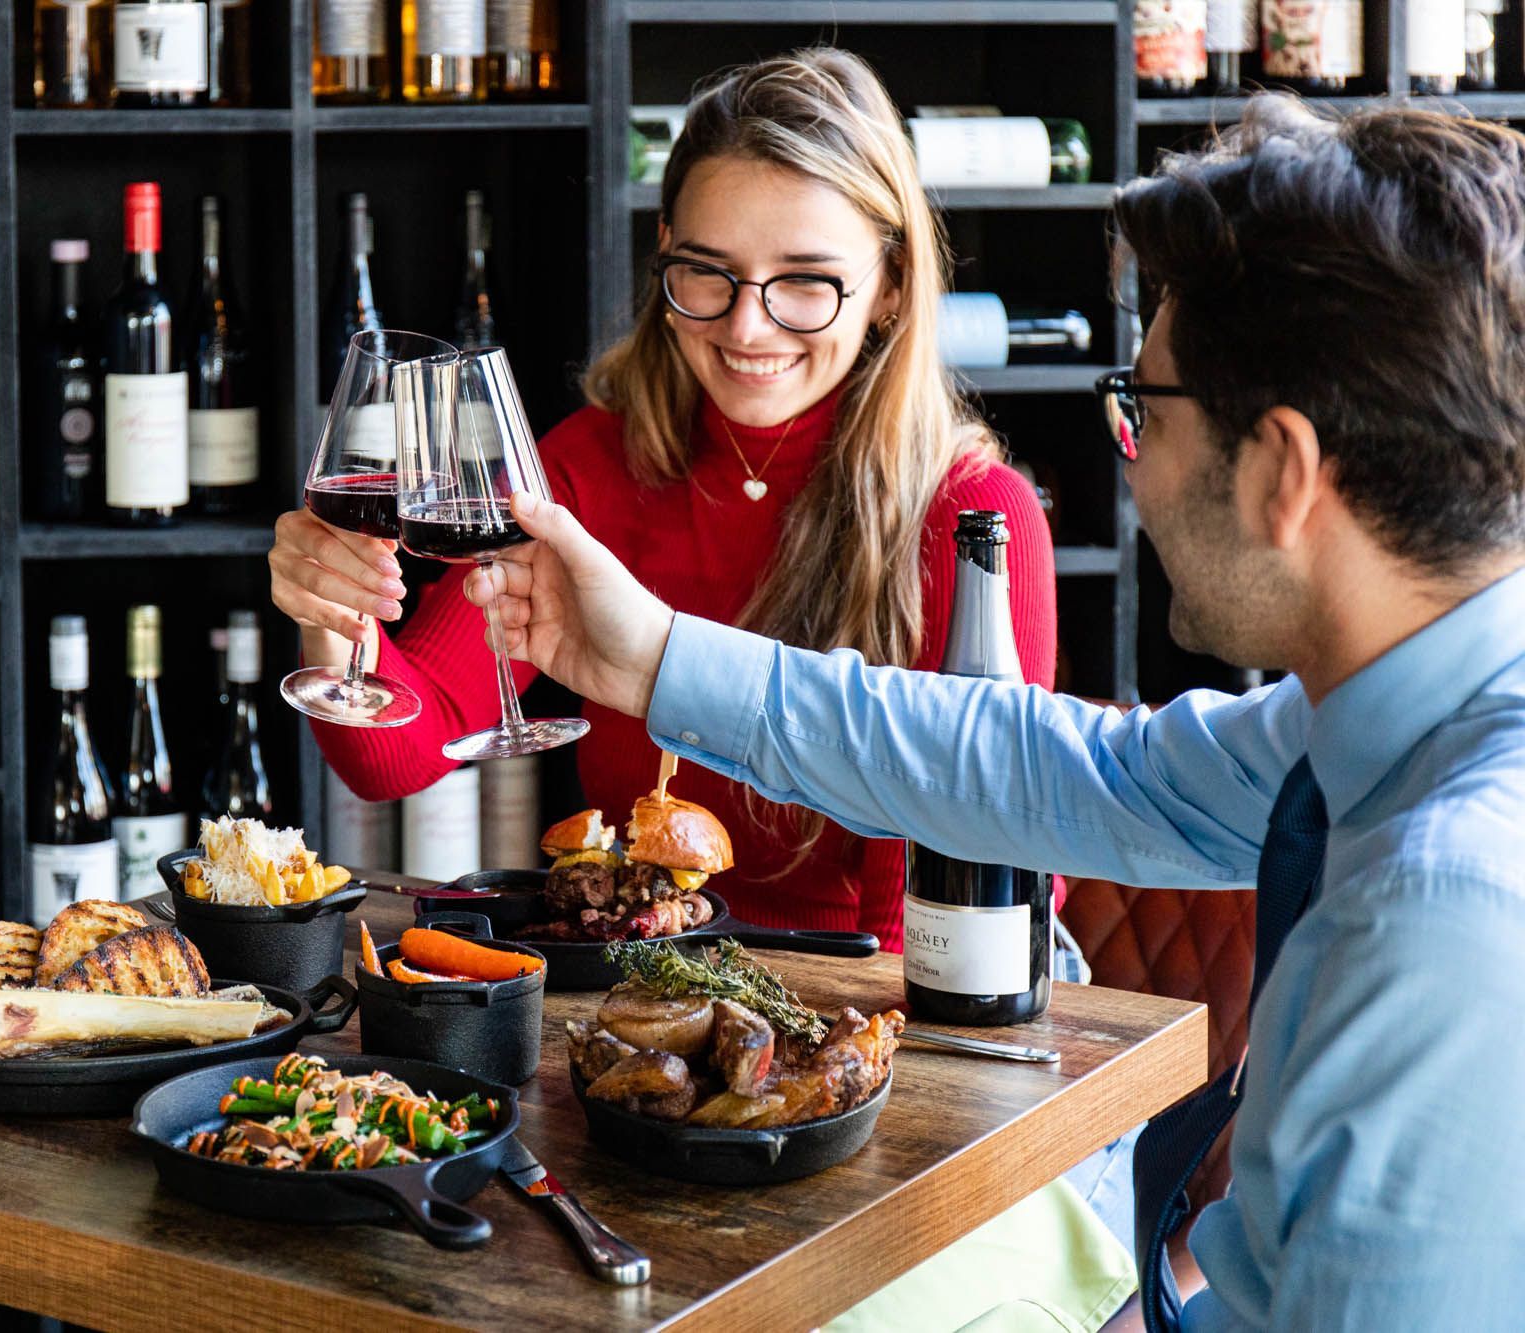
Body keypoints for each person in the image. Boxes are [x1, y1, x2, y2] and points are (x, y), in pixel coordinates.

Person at [469, 95, 1525, 1329]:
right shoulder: (1390, 717)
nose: (1129, 459)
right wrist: (653, 657)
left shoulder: (1441, 918)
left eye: (1145, 407)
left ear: (1283, 474)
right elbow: (1072, 773)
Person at [269, 47, 1056, 946]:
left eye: (805, 279)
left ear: (892, 287)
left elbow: (936, 911)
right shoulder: (587, 468)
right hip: (649, 991)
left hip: (862, 1003)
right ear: (664, 257)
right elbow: (403, 749)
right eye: (707, 271)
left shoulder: (975, 519)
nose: (747, 324)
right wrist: (337, 614)